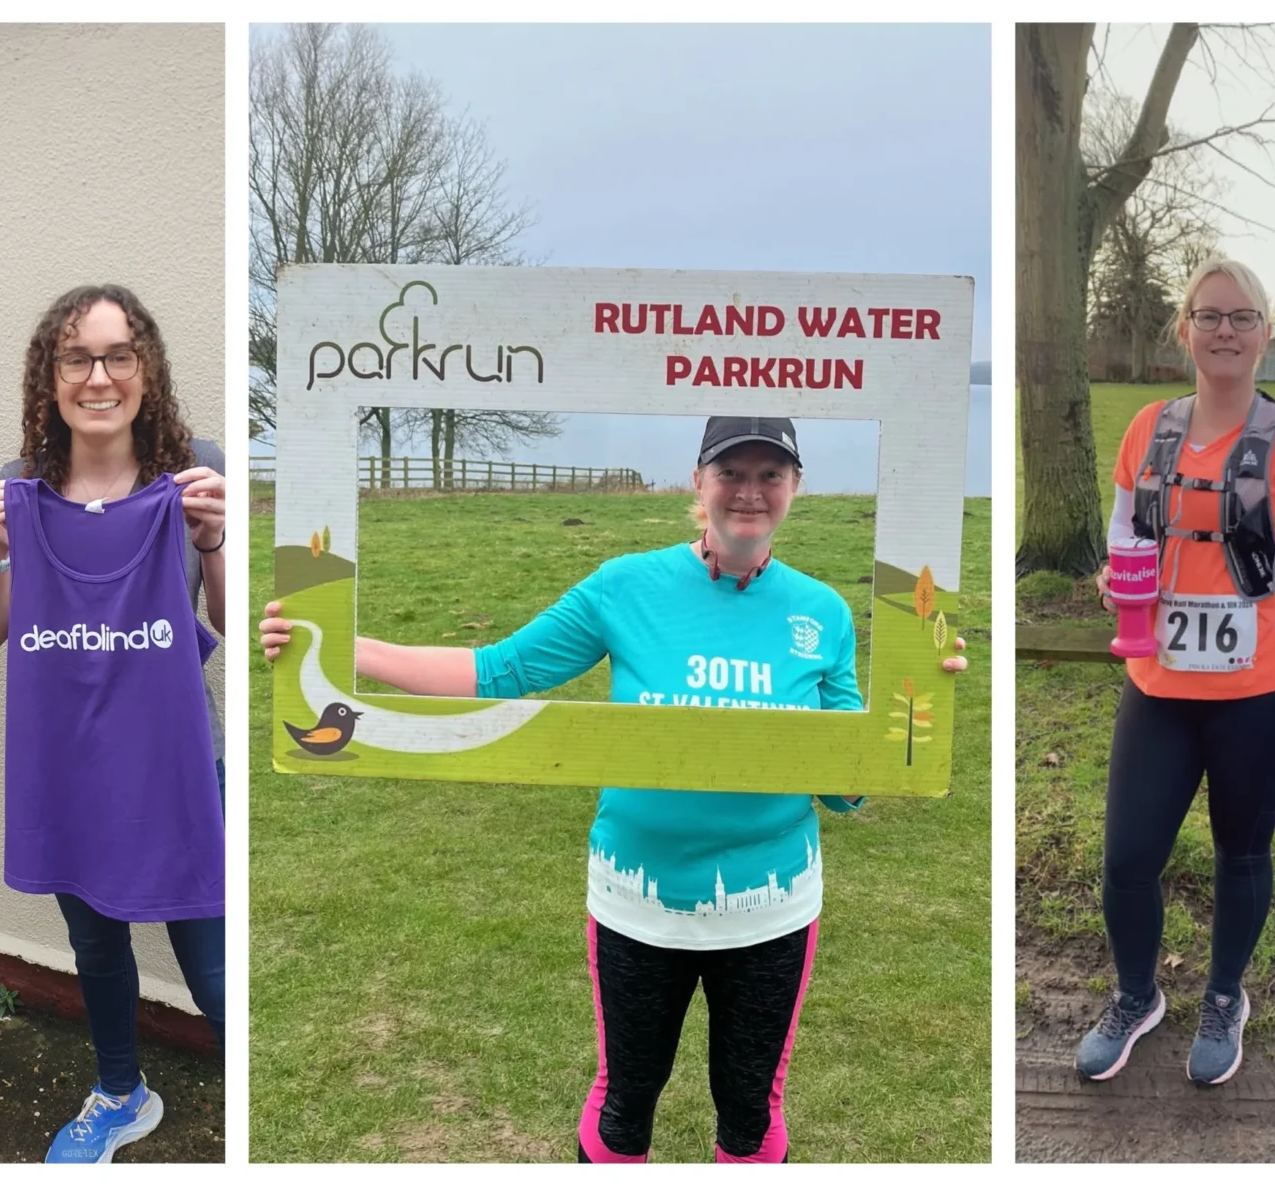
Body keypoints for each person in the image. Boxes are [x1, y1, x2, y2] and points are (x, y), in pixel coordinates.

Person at [260, 418, 969, 1163]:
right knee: (626, 1102)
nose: (750, 492)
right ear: (699, 482)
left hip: (771, 908)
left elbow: (847, 788)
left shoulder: (821, 611)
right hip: (638, 901)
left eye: (771, 474)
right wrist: (339, 648)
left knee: (751, 1114)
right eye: (732, 472)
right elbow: (498, 673)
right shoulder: (626, 586)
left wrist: (913, 711)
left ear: (795, 489)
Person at [0, 284, 225, 1164]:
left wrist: (218, 542)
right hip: (69, 768)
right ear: (52, 376)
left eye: (117, 355)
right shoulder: (22, 489)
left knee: (218, 972)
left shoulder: (192, 472)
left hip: (180, 766)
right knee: (97, 949)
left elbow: (241, 625)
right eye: (77, 358)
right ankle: (120, 1092)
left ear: (146, 370)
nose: (98, 376)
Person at [1077, 257, 1275, 1087]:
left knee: (1241, 855)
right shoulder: (1148, 430)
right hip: (1157, 687)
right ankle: (1135, 997)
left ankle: (1225, 996)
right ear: (1184, 329)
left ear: (1265, 334)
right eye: (1209, 315)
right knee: (1126, 859)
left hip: (1260, 693)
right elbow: (1125, 534)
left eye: (1242, 317)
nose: (1224, 330)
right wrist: (1113, 579)